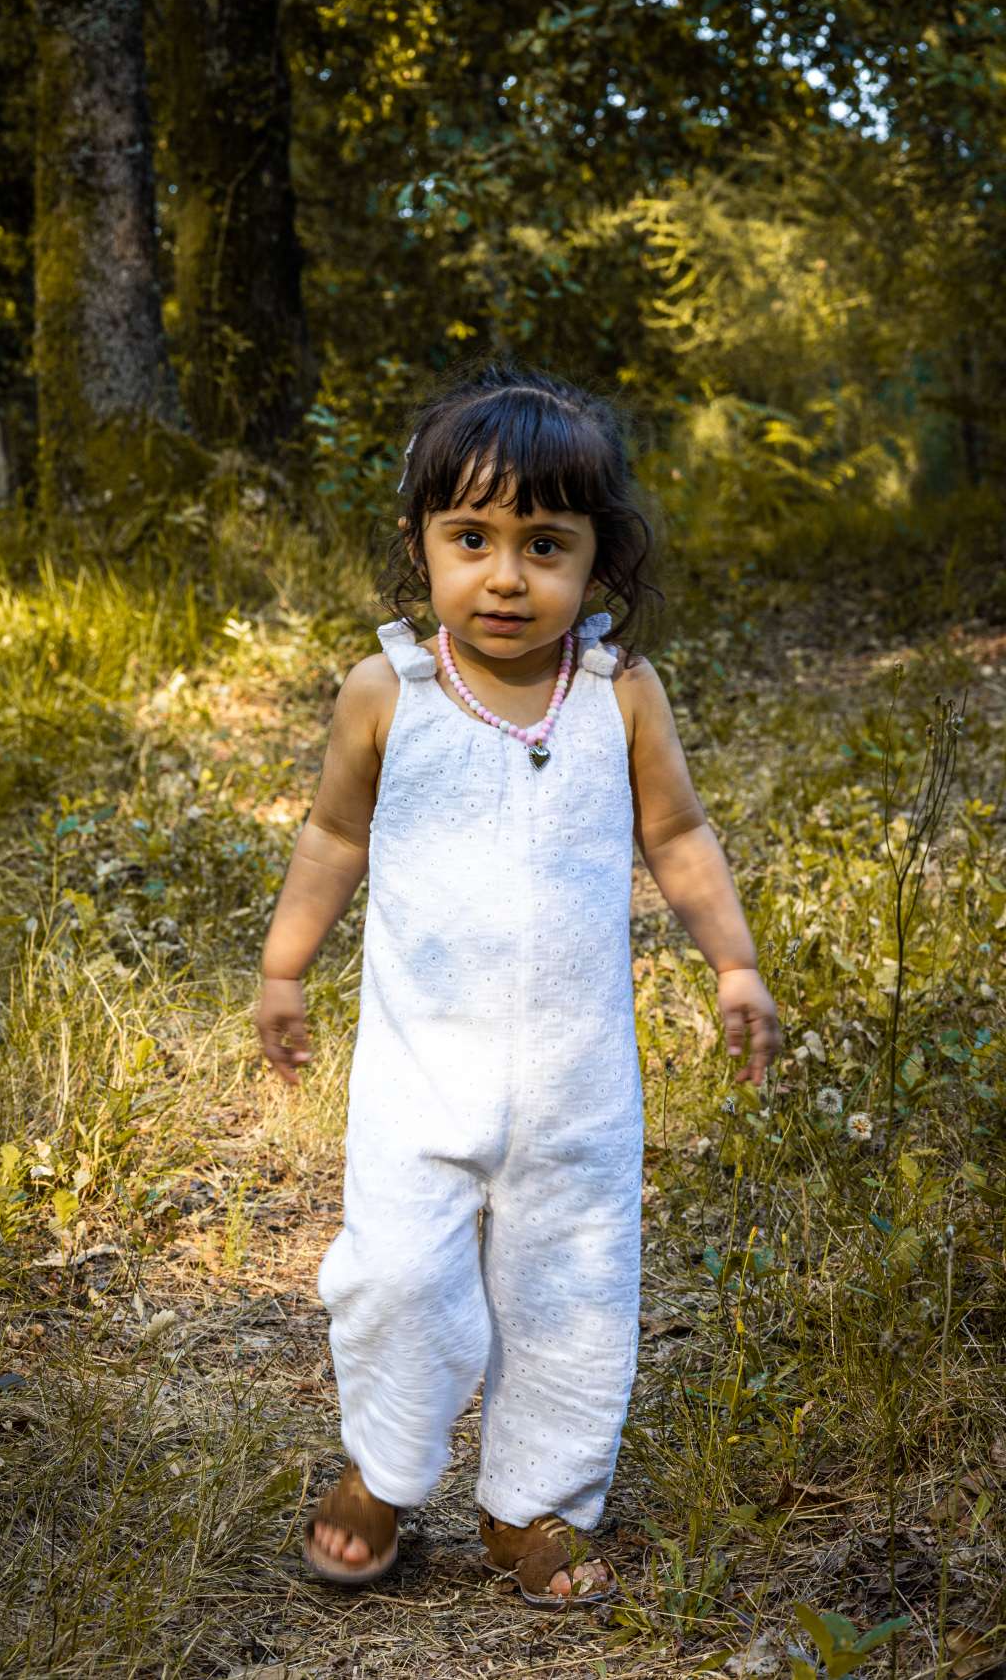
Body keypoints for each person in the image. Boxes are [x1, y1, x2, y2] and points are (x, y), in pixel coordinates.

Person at [254, 360, 782, 1607]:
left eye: (544, 543)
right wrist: (286, 964)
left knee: (572, 1295)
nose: (505, 574)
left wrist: (737, 961)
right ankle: (384, 1470)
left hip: (575, 1094)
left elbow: (682, 838)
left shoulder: (619, 697)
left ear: (600, 560)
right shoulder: (392, 692)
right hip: (419, 1086)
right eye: (472, 538)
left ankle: (533, 1502)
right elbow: (334, 836)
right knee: (396, 1278)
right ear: (423, 545)